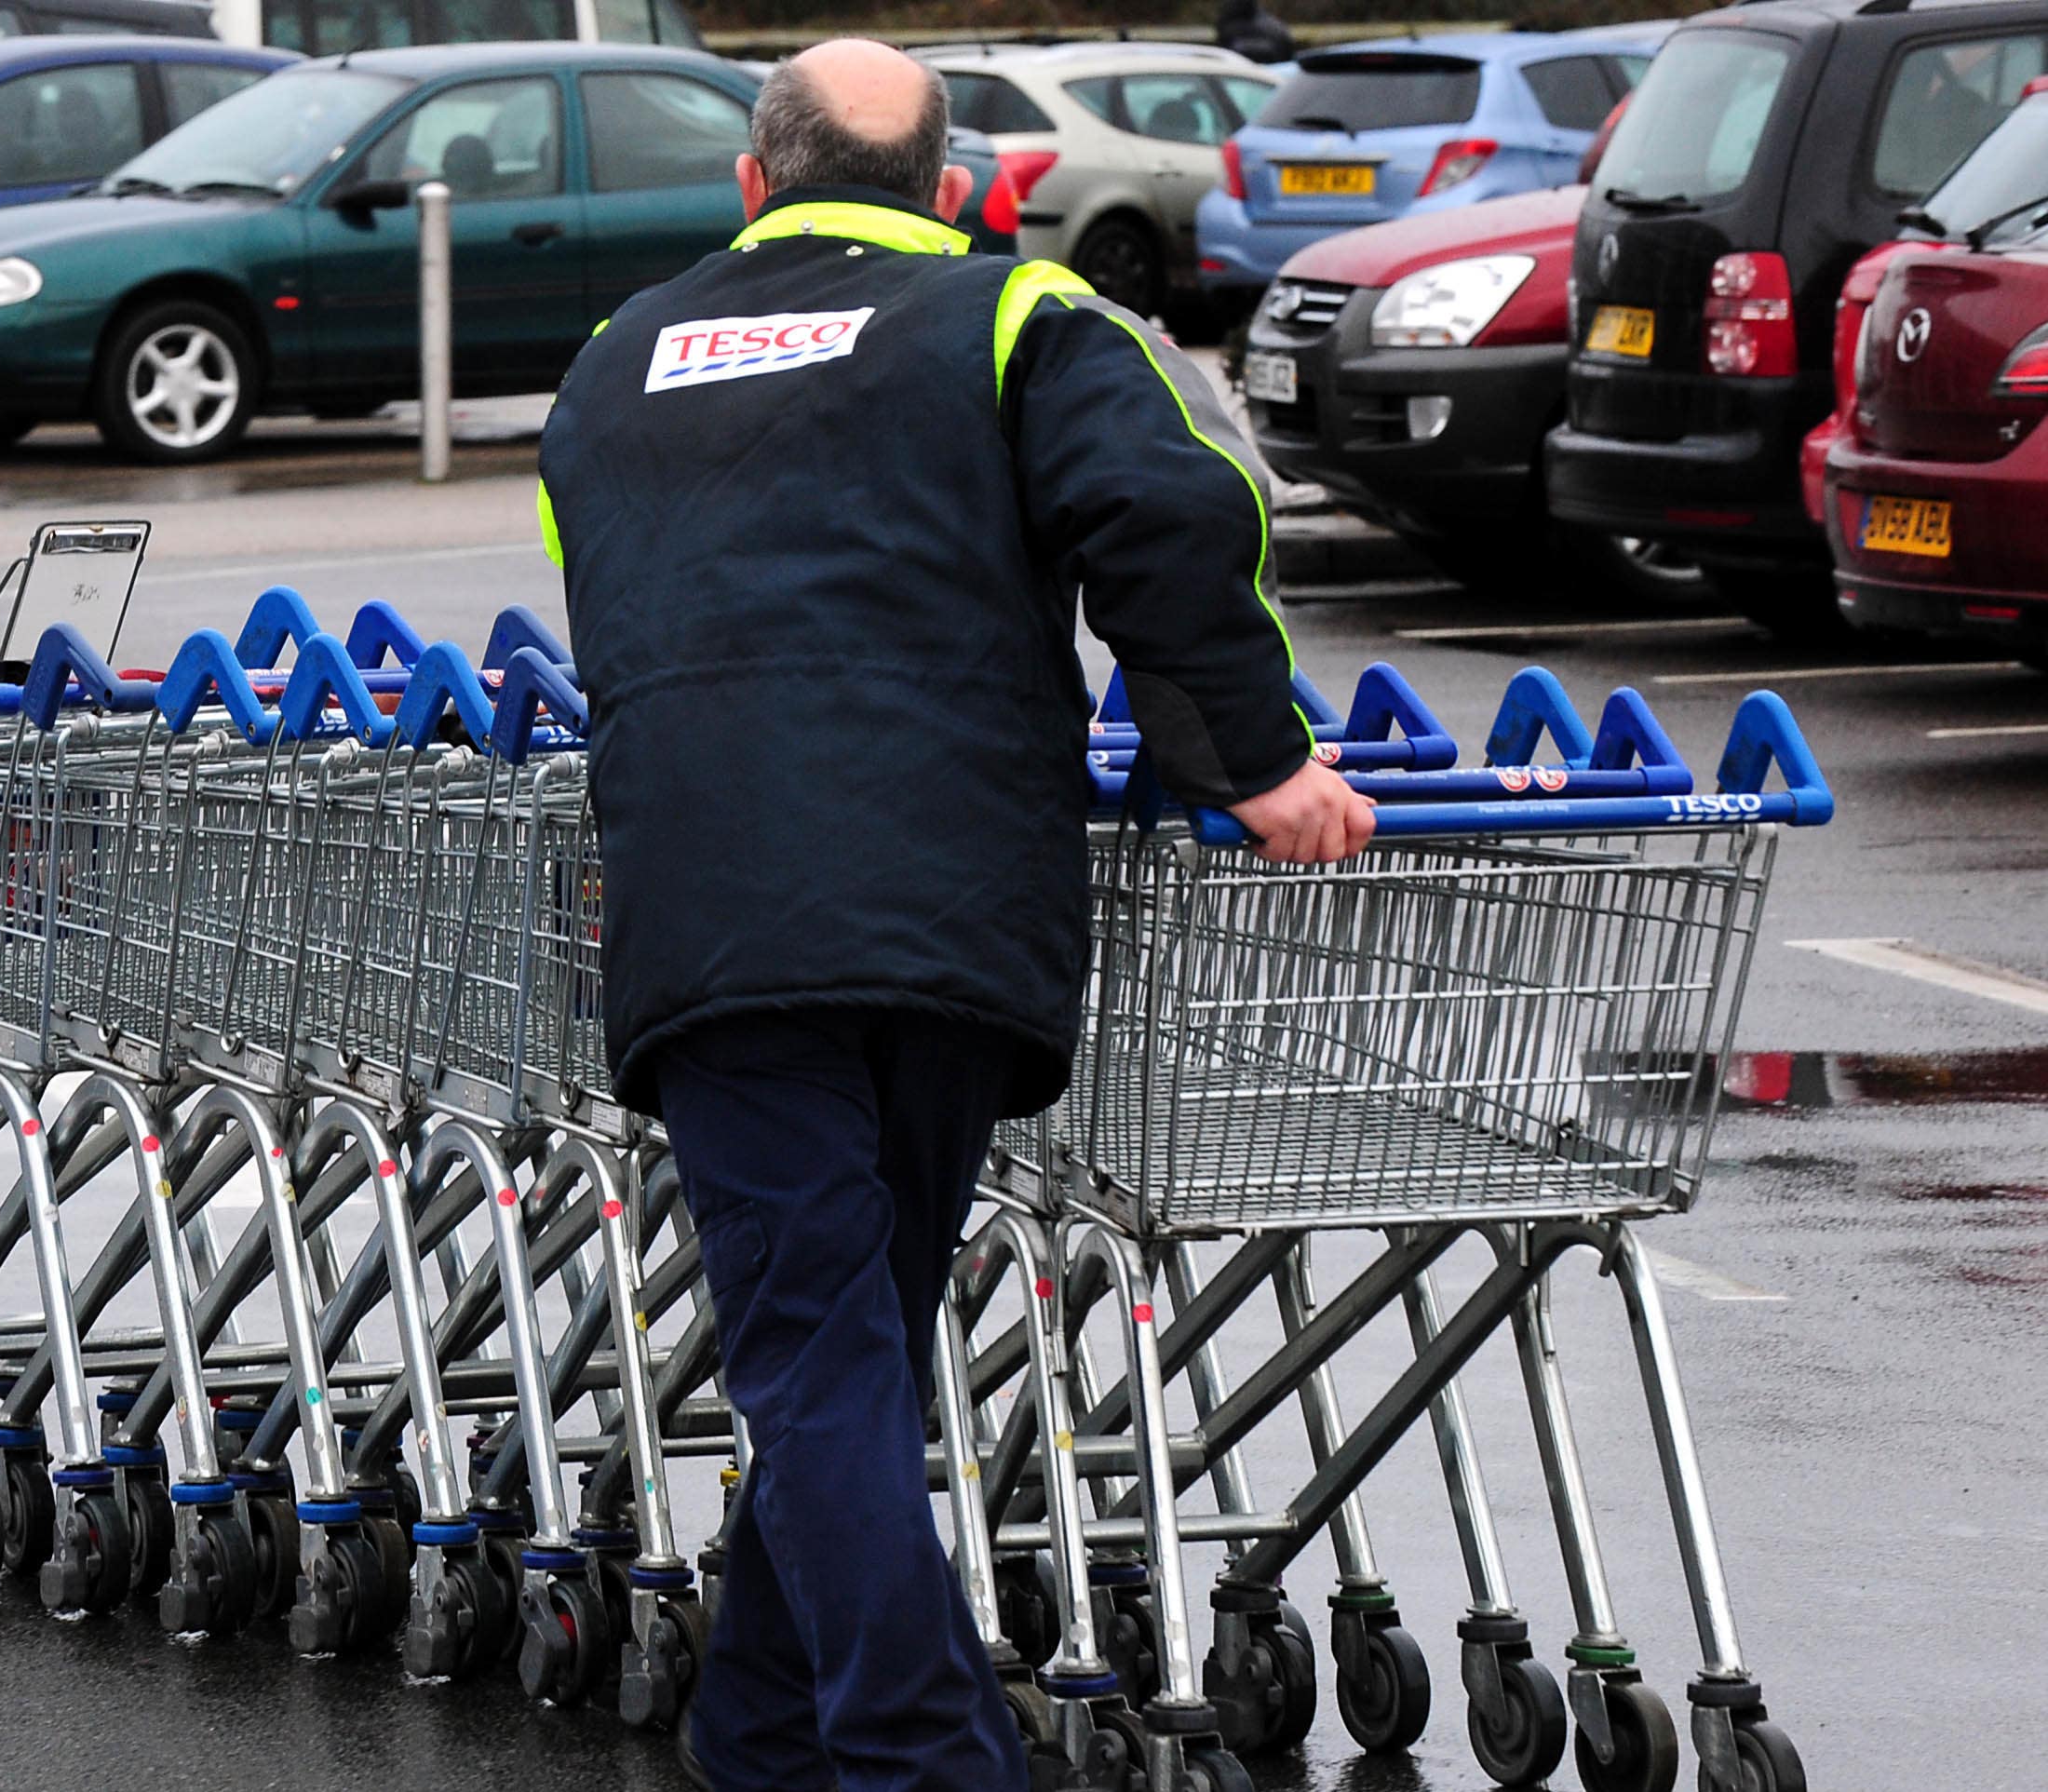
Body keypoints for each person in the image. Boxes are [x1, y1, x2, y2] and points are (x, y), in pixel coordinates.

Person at [533, 38, 1373, 1792]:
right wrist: (1252, 755)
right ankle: (859, 1747)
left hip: (719, 928)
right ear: (944, 191)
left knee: (827, 1353)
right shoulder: (1022, 315)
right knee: (847, 1346)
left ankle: (821, 1734)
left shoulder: (615, 363)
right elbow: (1165, 505)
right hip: (955, 921)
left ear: (751, 187)